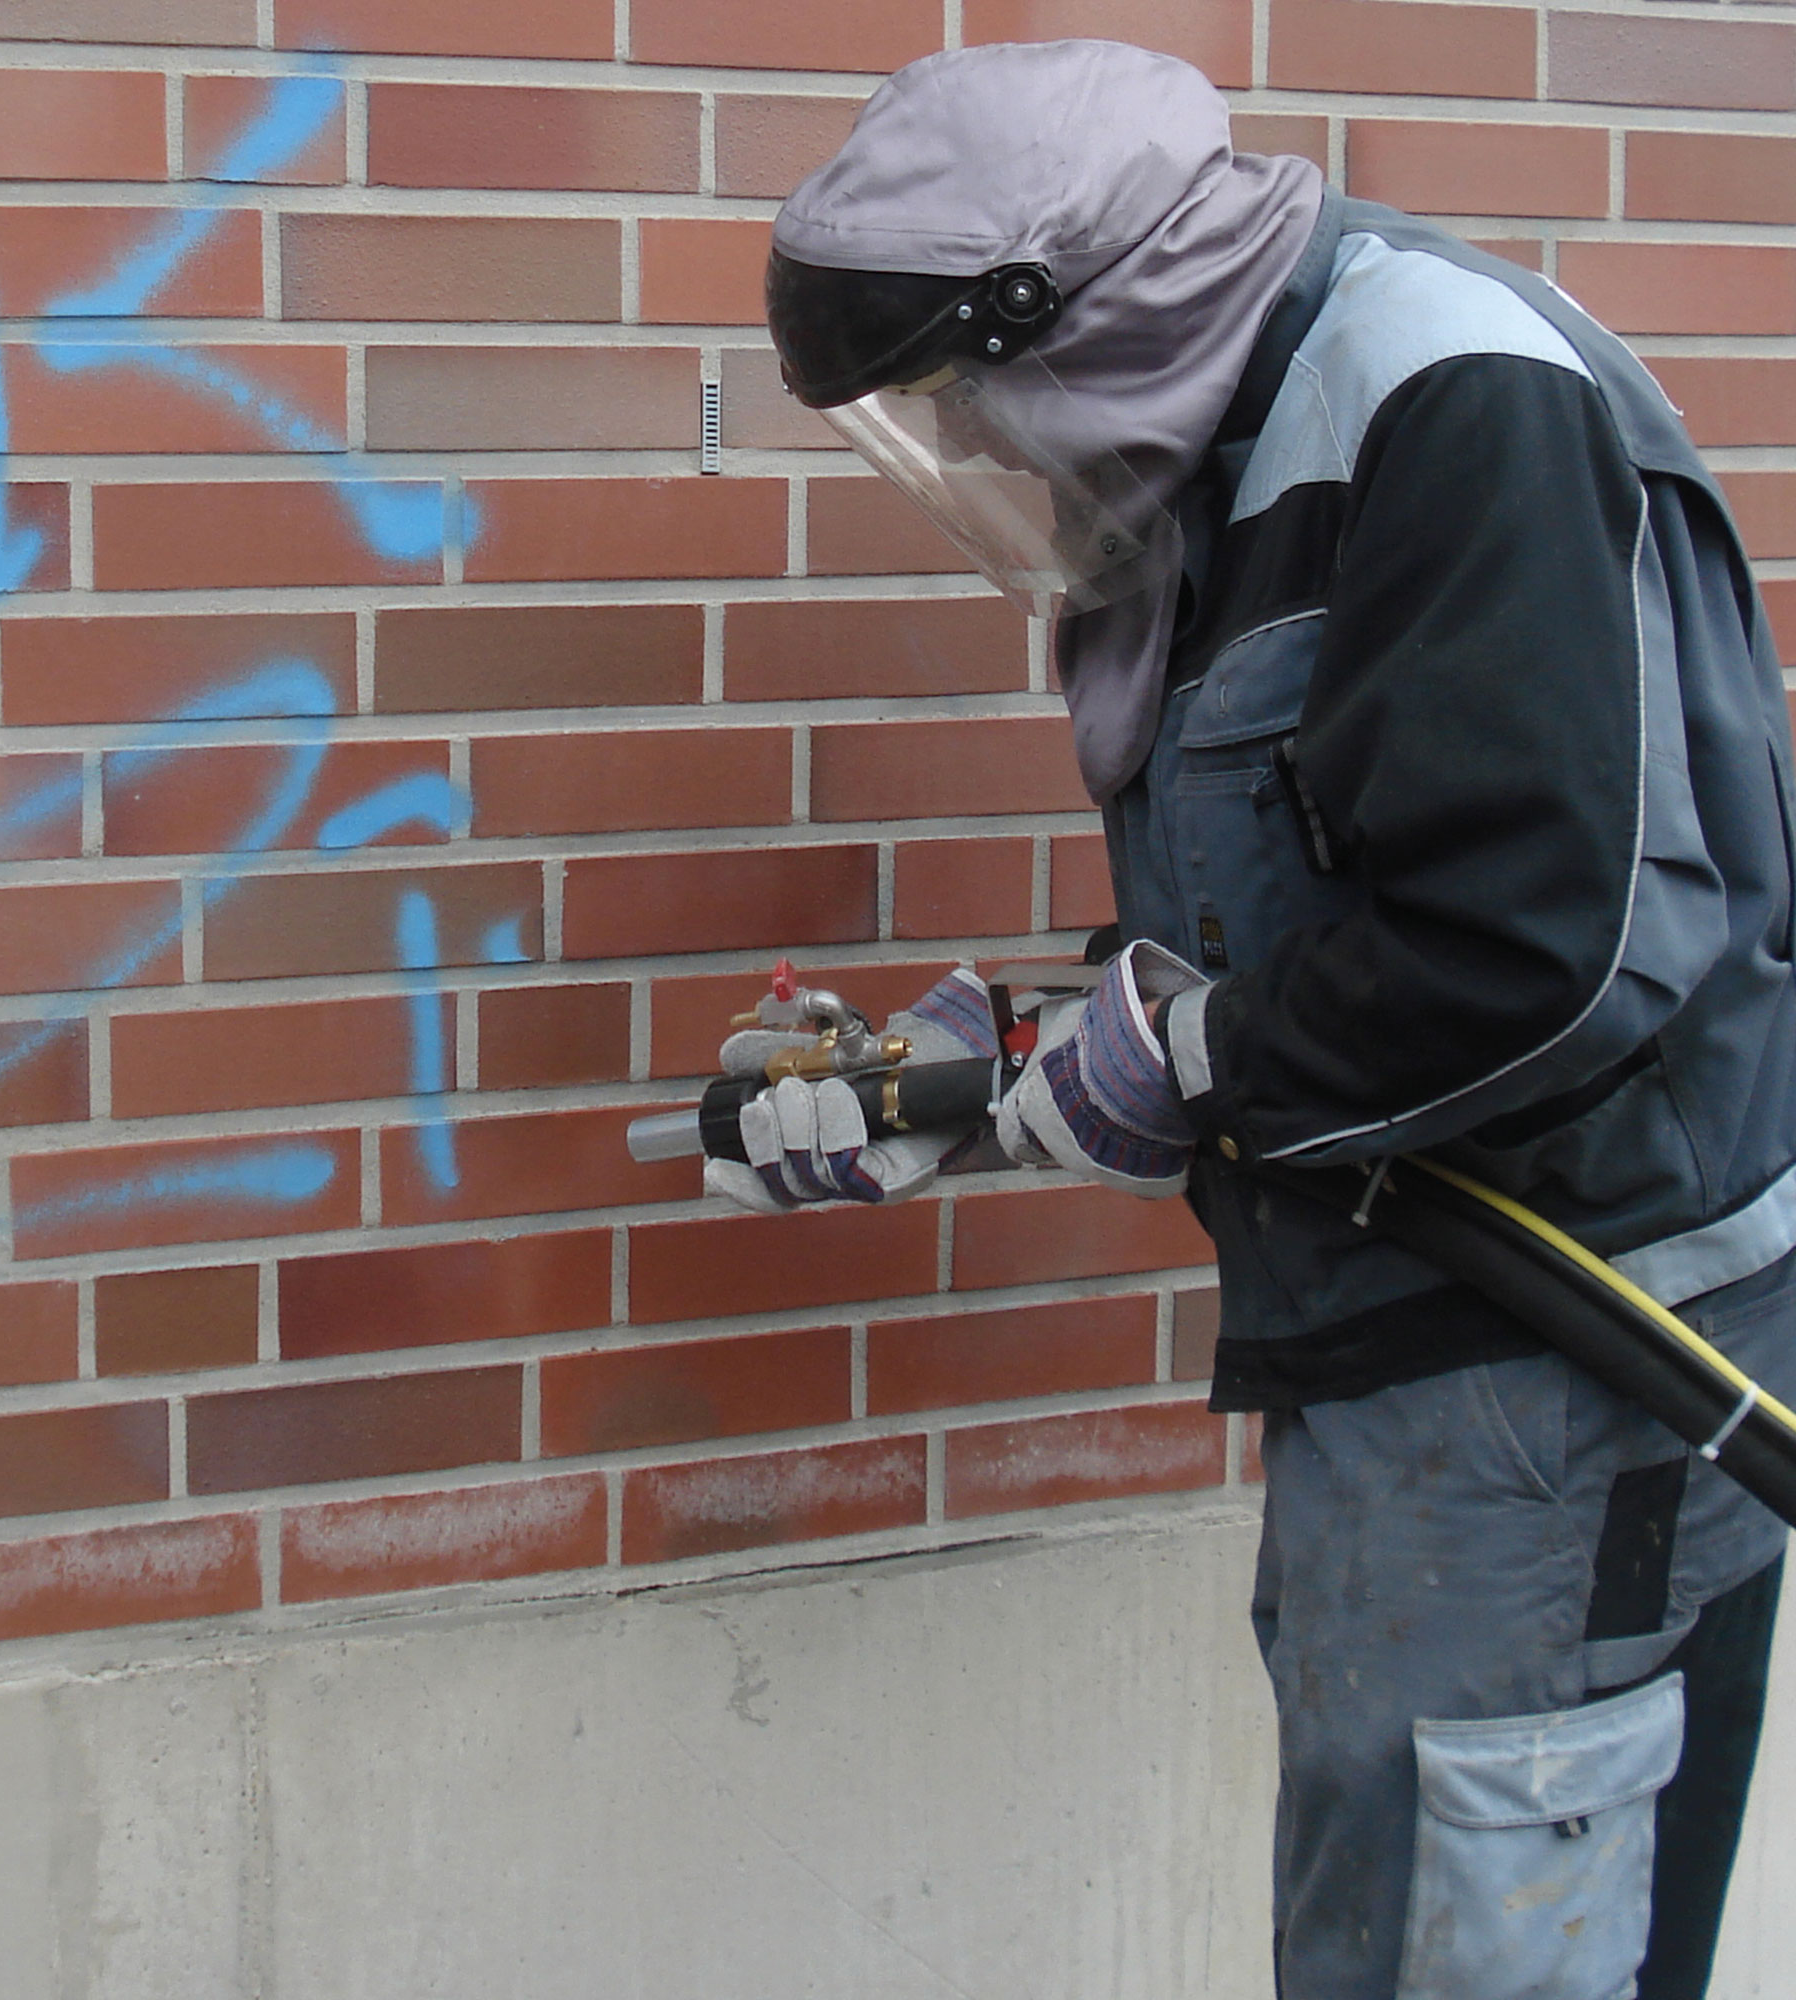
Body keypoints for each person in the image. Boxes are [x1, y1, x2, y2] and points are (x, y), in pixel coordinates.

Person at [728, 37, 1796, 2000]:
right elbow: (1316, 893)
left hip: (1565, 1354)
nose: (982, 460)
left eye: (966, 404)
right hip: (1409, 1357)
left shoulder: (1439, 399)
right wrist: (970, 1069)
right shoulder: (1213, 414)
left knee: (1461, 1954)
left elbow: (1540, 950)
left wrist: (1175, 1059)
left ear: (1081, 313)